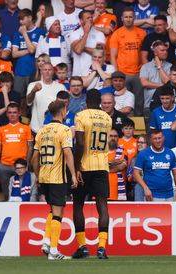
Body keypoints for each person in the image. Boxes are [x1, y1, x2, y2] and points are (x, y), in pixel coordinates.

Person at [33, 100, 77, 260]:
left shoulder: (42, 131)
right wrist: (73, 173)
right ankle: (53, 250)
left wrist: (38, 175)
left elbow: (34, 157)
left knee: (53, 211)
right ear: (63, 111)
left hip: (44, 176)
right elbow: (67, 153)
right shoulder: (64, 129)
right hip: (57, 177)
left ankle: (46, 242)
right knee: (58, 214)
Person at [72, 89, 112, 260]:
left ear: (86, 100)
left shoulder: (81, 116)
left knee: (78, 204)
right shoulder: (107, 118)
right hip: (102, 166)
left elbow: (80, 143)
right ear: (100, 102)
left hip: (85, 165)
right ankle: (102, 247)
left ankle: (83, 247)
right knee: (102, 206)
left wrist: (76, 166)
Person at [109, 7, 146, 115]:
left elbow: (144, 54)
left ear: (134, 18)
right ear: (122, 18)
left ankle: (139, 125)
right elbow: (113, 56)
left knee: (139, 101)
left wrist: (143, 71)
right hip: (123, 73)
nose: (128, 19)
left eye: (130, 17)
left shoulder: (142, 33)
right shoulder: (116, 34)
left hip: (138, 73)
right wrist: (117, 74)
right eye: (126, 17)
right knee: (124, 101)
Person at [0, 103, 33, 201]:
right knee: (6, 192)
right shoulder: (1, 129)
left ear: (19, 113)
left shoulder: (26, 128)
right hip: (5, 165)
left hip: (21, 166)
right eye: (10, 112)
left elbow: (30, 147)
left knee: (23, 190)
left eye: (15, 112)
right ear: (7, 114)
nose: (12, 115)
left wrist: (27, 163)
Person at [133, 129, 176, 201]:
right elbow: (136, 173)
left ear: (163, 138)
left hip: (169, 194)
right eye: (155, 138)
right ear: (151, 140)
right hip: (151, 195)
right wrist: (145, 188)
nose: (158, 140)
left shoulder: (170, 152)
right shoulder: (143, 153)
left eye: (159, 138)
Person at [26, 62, 66, 133]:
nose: (47, 72)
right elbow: (28, 102)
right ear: (41, 71)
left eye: (49, 70)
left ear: (53, 72)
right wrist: (33, 91)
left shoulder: (61, 87)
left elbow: (65, 107)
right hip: (37, 128)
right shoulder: (32, 85)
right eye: (45, 70)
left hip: (55, 129)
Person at [140, 40, 171, 118]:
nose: (165, 52)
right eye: (162, 50)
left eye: (166, 50)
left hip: (166, 105)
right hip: (149, 105)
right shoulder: (145, 67)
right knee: (150, 129)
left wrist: (159, 67)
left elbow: (167, 82)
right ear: (155, 53)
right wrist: (163, 86)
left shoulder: (170, 66)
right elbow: (144, 83)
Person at [69, 10, 105, 77]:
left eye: (91, 17)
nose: (91, 19)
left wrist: (83, 47)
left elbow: (99, 53)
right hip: (78, 73)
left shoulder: (99, 34)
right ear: (81, 21)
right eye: (88, 18)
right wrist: (86, 33)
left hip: (94, 73)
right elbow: (78, 51)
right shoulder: (74, 34)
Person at [106, 128, 128, 201]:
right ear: (106, 137)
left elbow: (121, 166)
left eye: (115, 136)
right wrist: (115, 162)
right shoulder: (100, 152)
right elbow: (97, 166)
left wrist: (105, 166)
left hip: (117, 192)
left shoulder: (123, 151)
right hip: (102, 189)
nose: (113, 138)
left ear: (118, 138)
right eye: (111, 136)